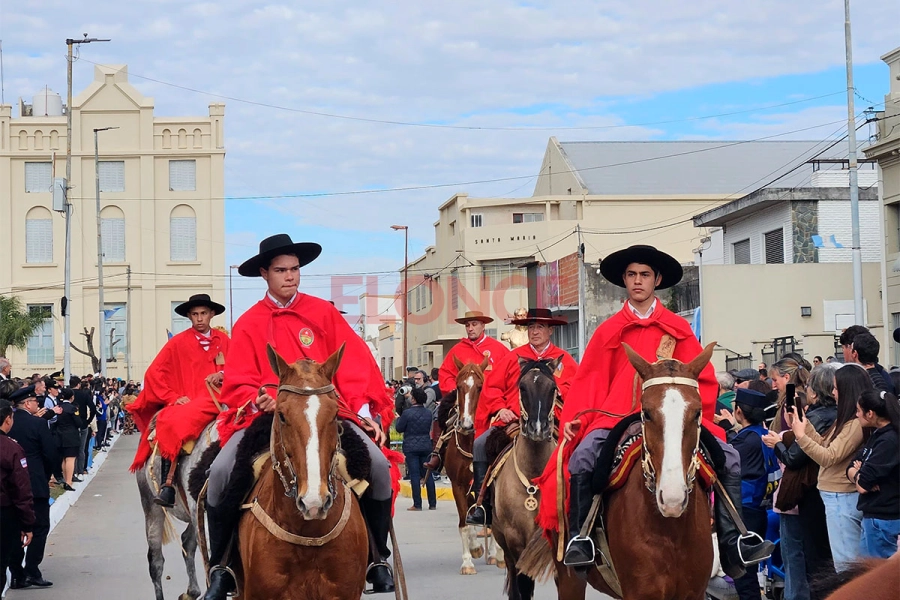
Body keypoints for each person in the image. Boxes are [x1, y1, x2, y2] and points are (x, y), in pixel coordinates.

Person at [537, 244, 772, 578]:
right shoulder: (608, 330)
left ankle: (735, 542)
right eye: (632, 275)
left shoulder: (678, 327)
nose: (638, 281)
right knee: (584, 456)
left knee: (730, 458)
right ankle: (581, 539)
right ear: (624, 280)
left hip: (672, 418)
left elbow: (700, 379)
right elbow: (590, 379)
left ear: (656, 280)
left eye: (645, 275)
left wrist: (695, 414)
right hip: (618, 416)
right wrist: (579, 418)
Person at [205, 234, 396, 599]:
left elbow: (354, 364)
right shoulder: (248, 323)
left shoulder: (323, 313)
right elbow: (240, 381)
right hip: (268, 419)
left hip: (326, 415)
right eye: (281, 270)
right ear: (264, 273)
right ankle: (223, 566)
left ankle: (376, 558)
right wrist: (258, 397)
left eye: (295, 269)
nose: (290, 277)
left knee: (380, 469)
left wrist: (362, 410)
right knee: (219, 473)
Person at [467, 308, 578, 526]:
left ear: (550, 330)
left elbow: (578, 388)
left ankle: (579, 507)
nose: (534, 332)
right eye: (531, 327)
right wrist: (500, 408)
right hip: (514, 418)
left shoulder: (563, 360)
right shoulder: (513, 358)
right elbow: (492, 387)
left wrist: (559, 393)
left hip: (552, 418)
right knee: (481, 444)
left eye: (540, 327)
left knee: (580, 449)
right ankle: (483, 504)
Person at [127, 293, 230, 507]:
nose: (200, 318)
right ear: (189, 317)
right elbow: (153, 374)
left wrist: (223, 375)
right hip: (192, 401)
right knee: (171, 421)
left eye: (203, 313)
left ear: (211, 314)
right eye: (195, 314)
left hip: (223, 398)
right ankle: (168, 484)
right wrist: (173, 397)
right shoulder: (177, 343)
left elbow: (240, 367)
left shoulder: (225, 341)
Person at [763, 364, 837, 600]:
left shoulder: (811, 418)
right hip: (821, 493)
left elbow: (794, 458)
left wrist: (778, 444)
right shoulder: (840, 415)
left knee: (798, 555)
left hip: (801, 494)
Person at [790, 364, 871, 572]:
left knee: (846, 566)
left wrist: (800, 436)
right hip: (835, 496)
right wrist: (803, 424)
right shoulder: (845, 419)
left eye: (836, 388)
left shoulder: (854, 424)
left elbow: (828, 457)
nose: (833, 393)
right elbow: (825, 445)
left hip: (842, 497)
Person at [728, 389, 778, 600]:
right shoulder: (764, 435)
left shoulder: (745, 441)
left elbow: (725, 458)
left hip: (745, 511)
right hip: (761, 507)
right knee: (750, 568)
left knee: (743, 570)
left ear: (739, 411)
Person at [7, 386, 58, 588]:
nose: (38, 404)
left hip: (10, 486)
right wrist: (46, 475)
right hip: (34, 484)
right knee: (40, 527)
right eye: (36, 401)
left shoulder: (8, 423)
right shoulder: (38, 424)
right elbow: (51, 454)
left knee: (14, 529)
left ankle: (17, 572)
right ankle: (32, 570)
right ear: (27, 404)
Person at [846, 390, 899, 559]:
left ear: (870, 413)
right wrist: (858, 473)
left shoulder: (889, 440)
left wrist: (861, 475)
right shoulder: (877, 435)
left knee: (880, 578)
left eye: (859, 410)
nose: (856, 415)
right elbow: (851, 466)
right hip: (874, 519)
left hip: (883, 520)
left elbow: (863, 486)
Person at [0, 400, 35, 592]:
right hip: (5, 514)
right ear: (7, 420)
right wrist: (27, 524)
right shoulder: (11, 448)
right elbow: (21, 489)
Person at [437, 311, 510, 395]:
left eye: (474, 324)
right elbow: (445, 374)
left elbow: (510, 375)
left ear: (483, 326)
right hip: (465, 400)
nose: (470, 328)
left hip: (493, 401)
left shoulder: (498, 349)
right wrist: (456, 391)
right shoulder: (457, 350)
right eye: (467, 325)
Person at [395, 387, 437, 511]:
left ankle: (417, 504)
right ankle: (432, 503)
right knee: (427, 474)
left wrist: (398, 418)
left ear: (413, 399)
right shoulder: (428, 413)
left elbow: (399, 428)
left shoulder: (407, 413)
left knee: (414, 474)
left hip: (411, 446)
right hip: (425, 445)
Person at [53, 388, 83, 490]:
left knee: (64, 459)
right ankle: (69, 482)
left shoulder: (57, 407)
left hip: (59, 435)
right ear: (72, 397)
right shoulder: (73, 408)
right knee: (70, 458)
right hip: (71, 436)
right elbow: (78, 423)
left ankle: (66, 479)